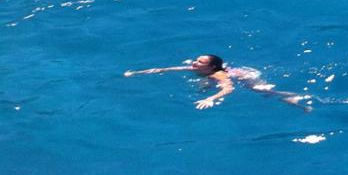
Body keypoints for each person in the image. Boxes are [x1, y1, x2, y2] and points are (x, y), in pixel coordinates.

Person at [123, 54, 309, 110]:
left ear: (211, 67)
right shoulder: (197, 69)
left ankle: (290, 96)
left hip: (243, 77)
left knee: (261, 91)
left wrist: (211, 98)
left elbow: (228, 89)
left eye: (200, 62)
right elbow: (166, 69)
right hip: (224, 73)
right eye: (196, 60)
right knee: (203, 85)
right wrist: (138, 72)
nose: (194, 63)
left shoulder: (218, 75)